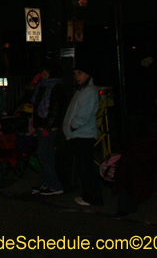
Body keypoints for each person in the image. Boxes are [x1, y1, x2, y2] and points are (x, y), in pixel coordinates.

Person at [62, 62, 104, 207]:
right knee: (84, 168)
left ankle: (93, 197)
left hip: (83, 135)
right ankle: (89, 195)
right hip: (79, 134)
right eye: (76, 74)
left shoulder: (89, 91)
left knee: (86, 168)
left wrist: (73, 126)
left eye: (80, 73)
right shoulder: (83, 90)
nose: (77, 77)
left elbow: (84, 115)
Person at [29, 63, 66, 196]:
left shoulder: (55, 87)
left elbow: (55, 108)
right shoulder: (42, 86)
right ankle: (48, 183)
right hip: (41, 124)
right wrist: (35, 82)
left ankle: (55, 184)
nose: (43, 77)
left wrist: (48, 126)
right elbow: (32, 99)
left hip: (47, 126)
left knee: (45, 155)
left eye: (45, 75)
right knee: (45, 155)